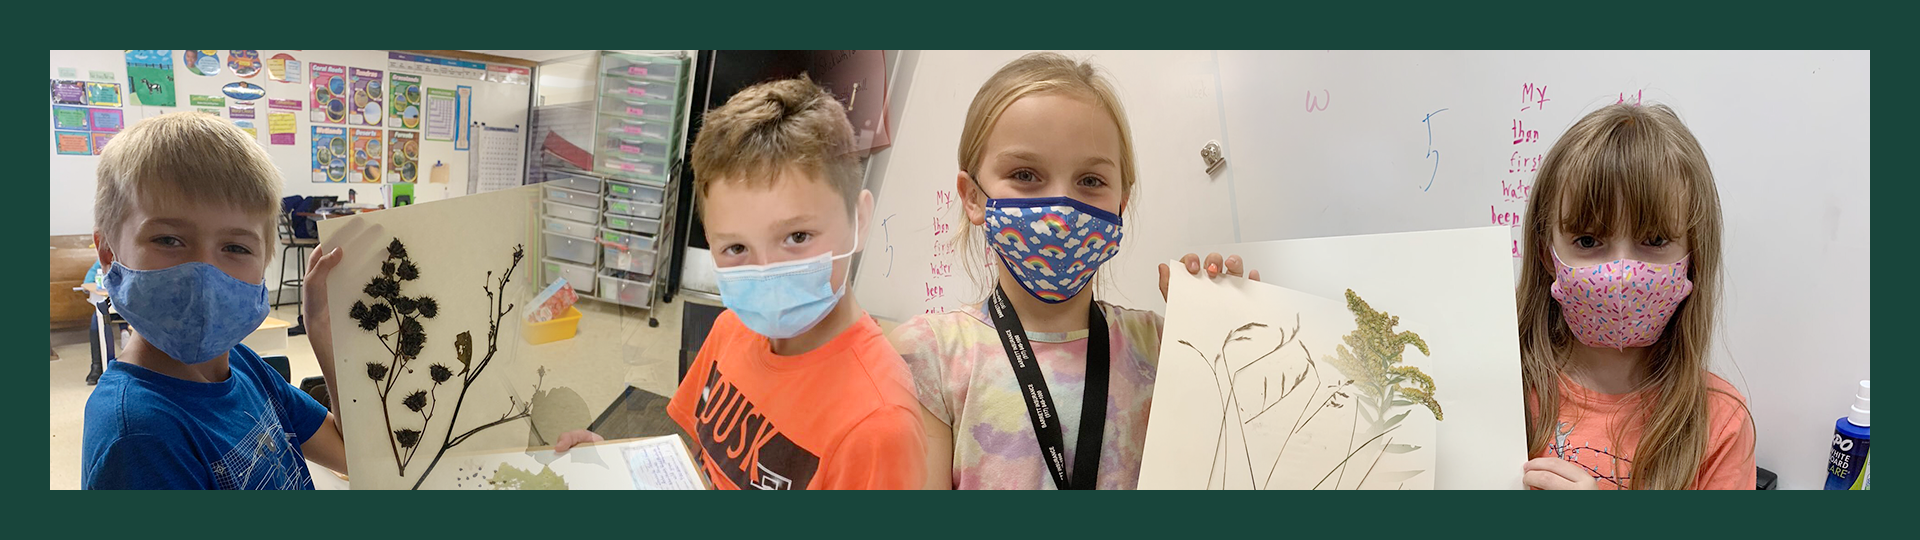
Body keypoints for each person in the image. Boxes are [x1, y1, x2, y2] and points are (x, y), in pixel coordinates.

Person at [887, 52, 1256, 489]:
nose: (1062, 207)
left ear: (1121, 202)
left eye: (1091, 181)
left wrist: (1223, 349)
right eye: (1025, 174)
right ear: (973, 198)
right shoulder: (929, 355)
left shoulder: (1160, 347)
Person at [556, 77, 926, 489]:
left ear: (858, 221)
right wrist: (615, 468)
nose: (766, 271)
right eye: (736, 248)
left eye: (797, 237)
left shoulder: (879, 427)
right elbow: (702, 466)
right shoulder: (732, 329)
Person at [81, 111, 349, 489]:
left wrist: (322, 328)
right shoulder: (139, 436)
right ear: (108, 252)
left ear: (264, 264)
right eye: (168, 240)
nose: (203, 272)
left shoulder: (242, 363)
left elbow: (349, 451)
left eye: (235, 247)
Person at [1514, 103, 1755, 490]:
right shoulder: (1503, 385)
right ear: (1548, 255)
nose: (1620, 273)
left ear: (1693, 257)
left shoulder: (1718, 421)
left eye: (1655, 240)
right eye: (1588, 240)